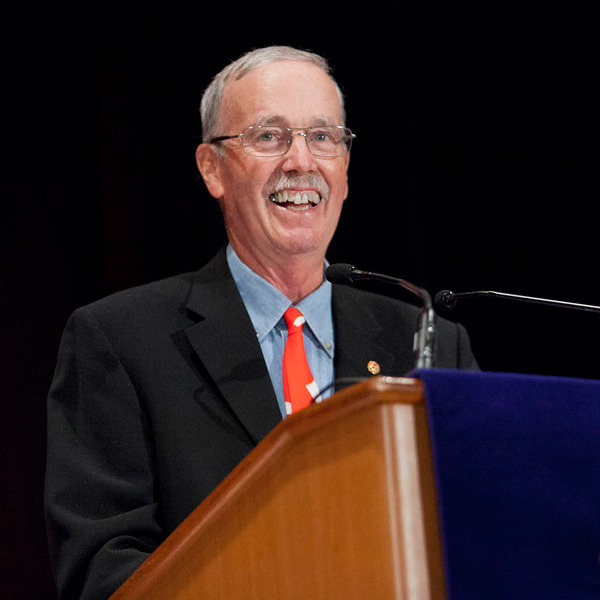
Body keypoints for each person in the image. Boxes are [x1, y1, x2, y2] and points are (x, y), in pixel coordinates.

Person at [45, 46, 477, 600]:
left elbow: (479, 532)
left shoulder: (428, 343)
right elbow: (102, 570)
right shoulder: (120, 340)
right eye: (269, 137)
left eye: (323, 137)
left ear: (345, 168)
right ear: (211, 169)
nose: (301, 161)